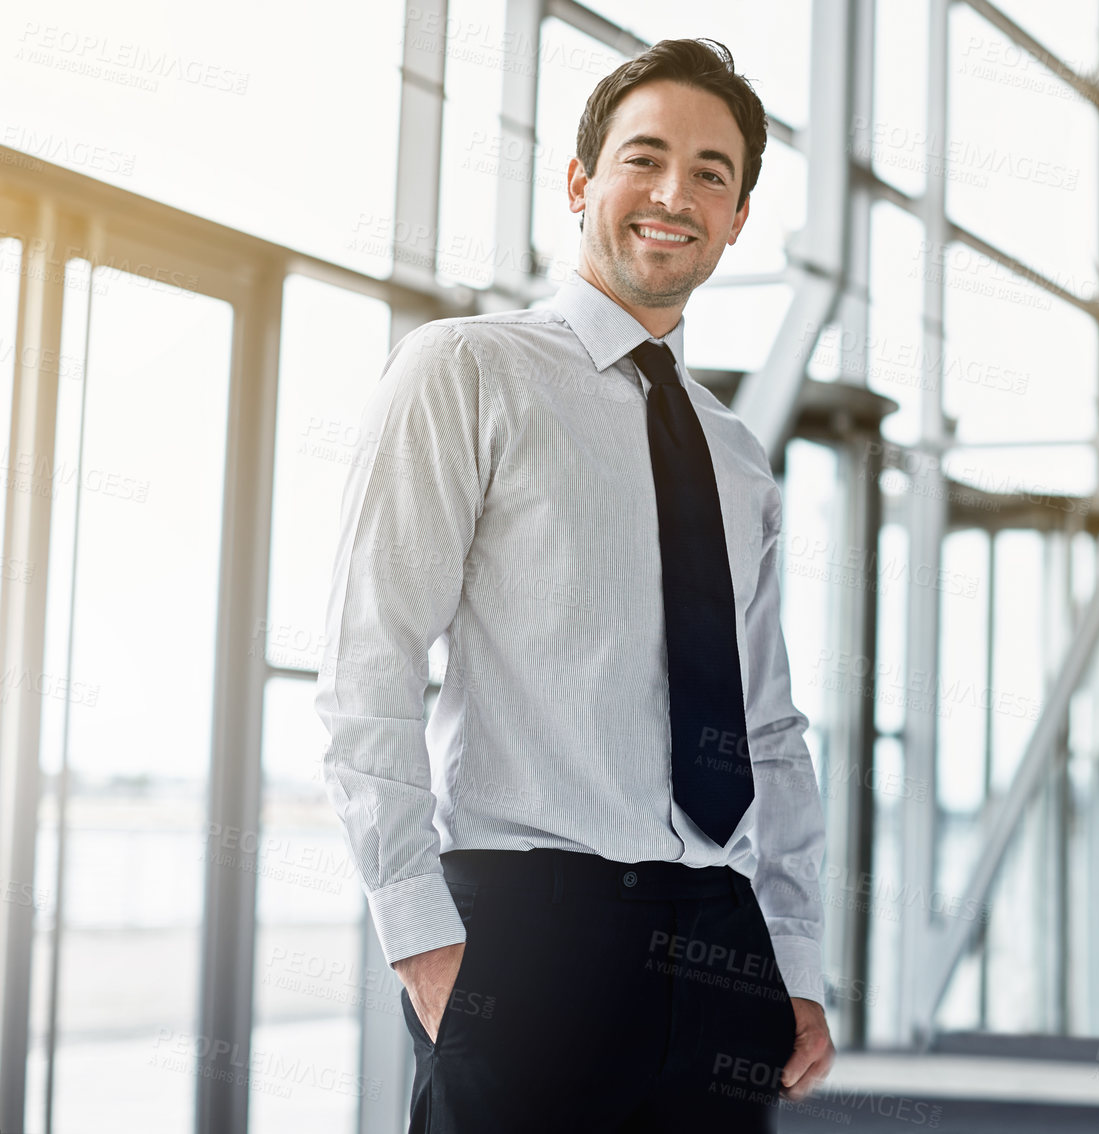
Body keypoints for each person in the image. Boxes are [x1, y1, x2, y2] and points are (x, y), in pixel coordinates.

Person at [315, 36, 834, 1131]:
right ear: (579, 182)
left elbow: (770, 726)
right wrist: (420, 937)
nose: (673, 194)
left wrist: (793, 958)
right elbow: (370, 660)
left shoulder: (736, 455)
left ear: (737, 219)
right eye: (643, 158)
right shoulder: (465, 370)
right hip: (529, 929)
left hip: (719, 935)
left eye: (711, 174)